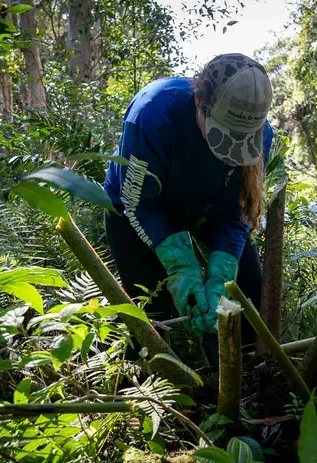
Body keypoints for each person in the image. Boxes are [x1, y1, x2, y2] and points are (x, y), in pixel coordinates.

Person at [103, 53, 273, 366]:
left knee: (246, 290)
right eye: (224, 133)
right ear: (199, 100)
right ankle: (146, 382)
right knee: (148, 303)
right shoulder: (152, 116)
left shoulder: (262, 135)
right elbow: (138, 203)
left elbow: (233, 213)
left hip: (202, 206)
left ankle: (246, 376)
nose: (233, 150)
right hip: (137, 208)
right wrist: (183, 269)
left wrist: (220, 276)